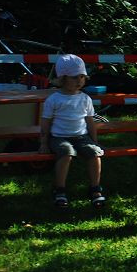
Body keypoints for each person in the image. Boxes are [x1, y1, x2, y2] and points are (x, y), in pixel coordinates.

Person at [38, 54, 106, 208]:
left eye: (82, 77)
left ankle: (95, 189)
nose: (79, 81)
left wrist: (95, 141)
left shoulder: (85, 99)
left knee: (94, 153)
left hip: (81, 136)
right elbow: (46, 121)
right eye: (75, 77)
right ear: (62, 78)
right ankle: (59, 190)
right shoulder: (54, 99)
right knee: (66, 152)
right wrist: (43, 142)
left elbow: (90, 121)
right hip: (59, 137)